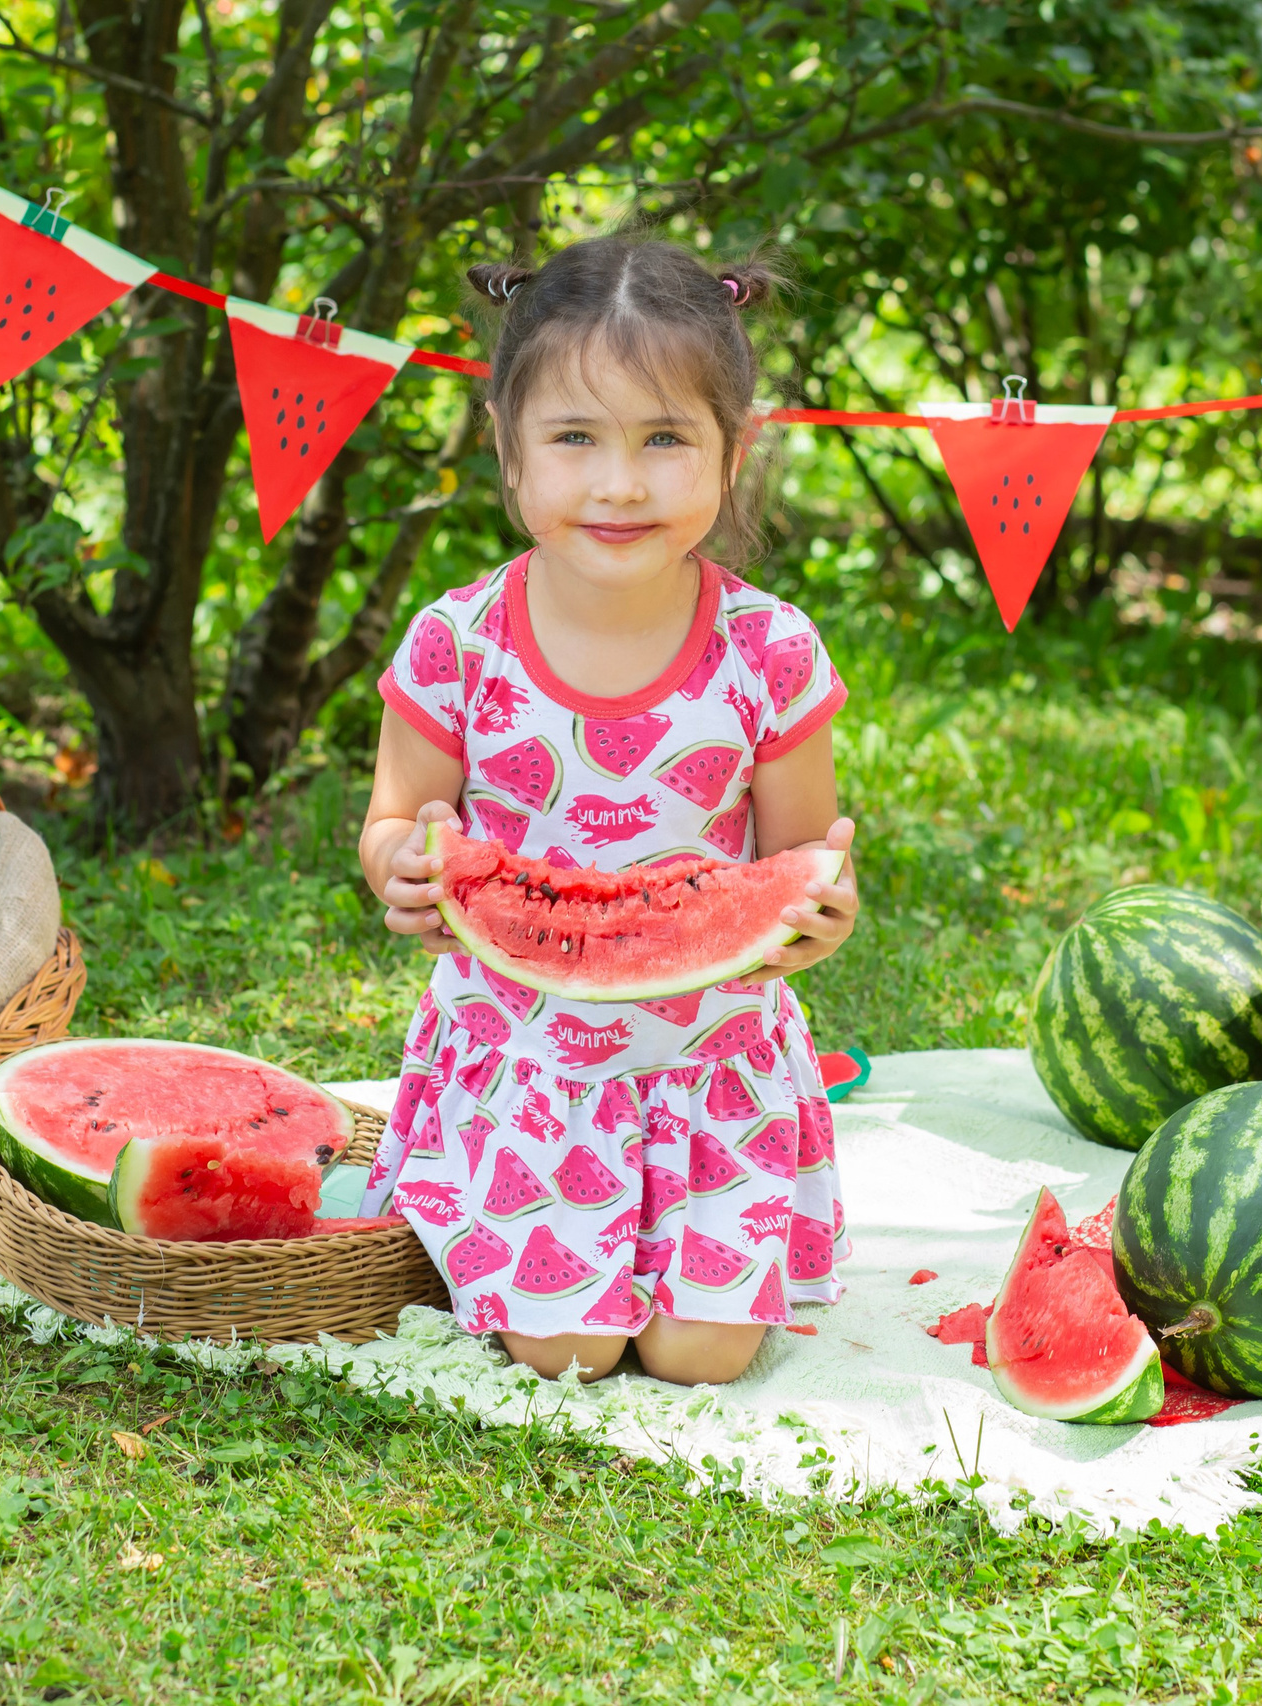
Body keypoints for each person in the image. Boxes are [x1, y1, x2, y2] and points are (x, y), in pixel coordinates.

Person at [356, 235, 860, 1387]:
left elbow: (797, 860)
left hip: (712, 1063)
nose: (618, 483)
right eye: (574, 437)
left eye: (665, 439)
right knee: (566, 1346)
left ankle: (681, 1231)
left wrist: (820, 911)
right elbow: (398, 818)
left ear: (734, 453)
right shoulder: (455, 642)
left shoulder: (771, 650)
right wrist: (407, 869)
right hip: (524, 1061)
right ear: (508, 449)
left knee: (703, 1355)